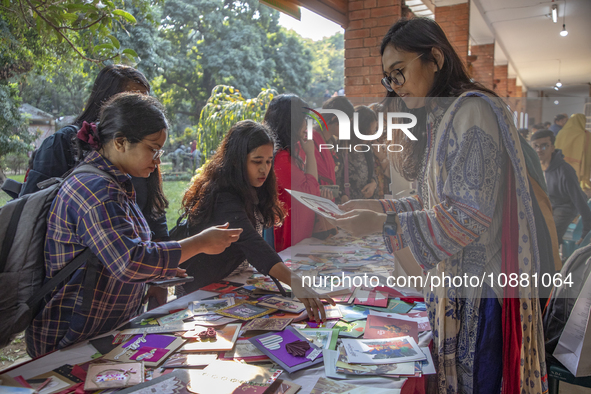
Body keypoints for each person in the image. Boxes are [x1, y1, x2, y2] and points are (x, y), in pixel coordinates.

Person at [332, 18, 548, 393]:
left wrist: (382, 225)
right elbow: (430, 199)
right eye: (389, 79)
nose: (395, 87)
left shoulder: (472, 112)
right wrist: (377, 206)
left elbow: (465, 215)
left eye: (399, 73)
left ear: (435, 57)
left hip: (483, 298)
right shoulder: (442, 117)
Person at [26, 93, 242, 358]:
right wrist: (199, 243)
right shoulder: (95, 191)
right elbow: (129, 261)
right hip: (70, 339)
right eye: (152, 149)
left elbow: (121, 250)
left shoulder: (114, 183)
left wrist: (158, 274)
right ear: (120, 142)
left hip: (99, 332)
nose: (157, 159)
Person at [177, 120, 335, 321]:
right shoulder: (222, 194)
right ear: (236, 160)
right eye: (257, 161)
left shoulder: (256, 187)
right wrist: (297, 283)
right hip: (202, 292)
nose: (264, 169)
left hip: (233, 283)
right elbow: (252, 243)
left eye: (269, 161)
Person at [20, 65, 169, 241]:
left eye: (145, 101)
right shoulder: (63, 144)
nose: (143, 110)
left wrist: (168, 259)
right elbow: (31, 214)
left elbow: (154, 213)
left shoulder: (144, 153)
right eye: (131, 99)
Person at [264, 94, 324, 252]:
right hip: (286, 245)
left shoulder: (286, 154)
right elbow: (311, 193)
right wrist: (311, 154)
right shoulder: (281, 159)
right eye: (303, 119)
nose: (306, 125)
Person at [531, 129, 591, 245]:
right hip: (549, 205)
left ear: (552, 148)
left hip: (565, 206)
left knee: (549, 235)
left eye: (544, 146)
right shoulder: (534, 168)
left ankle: (553, 260)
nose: (539, 150)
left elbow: (579, 200)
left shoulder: (565, 171)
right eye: (535, 146)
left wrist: (586, 232)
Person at [335, 105, 378, 202]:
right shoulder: (341, 149)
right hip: (347, 208)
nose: (372, 137)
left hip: (367, 207)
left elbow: (372, 174)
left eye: (374, 132)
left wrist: (373, 184)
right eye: (369, 133)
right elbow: (333, 182)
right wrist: (342, 196)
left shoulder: (366, 147)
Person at [555, 114, 591, 192]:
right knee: (574, 185)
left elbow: (556, 147)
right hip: (577, 163)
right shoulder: (584, 134)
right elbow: (587, 152)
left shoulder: (561, 132)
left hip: (561, 161)